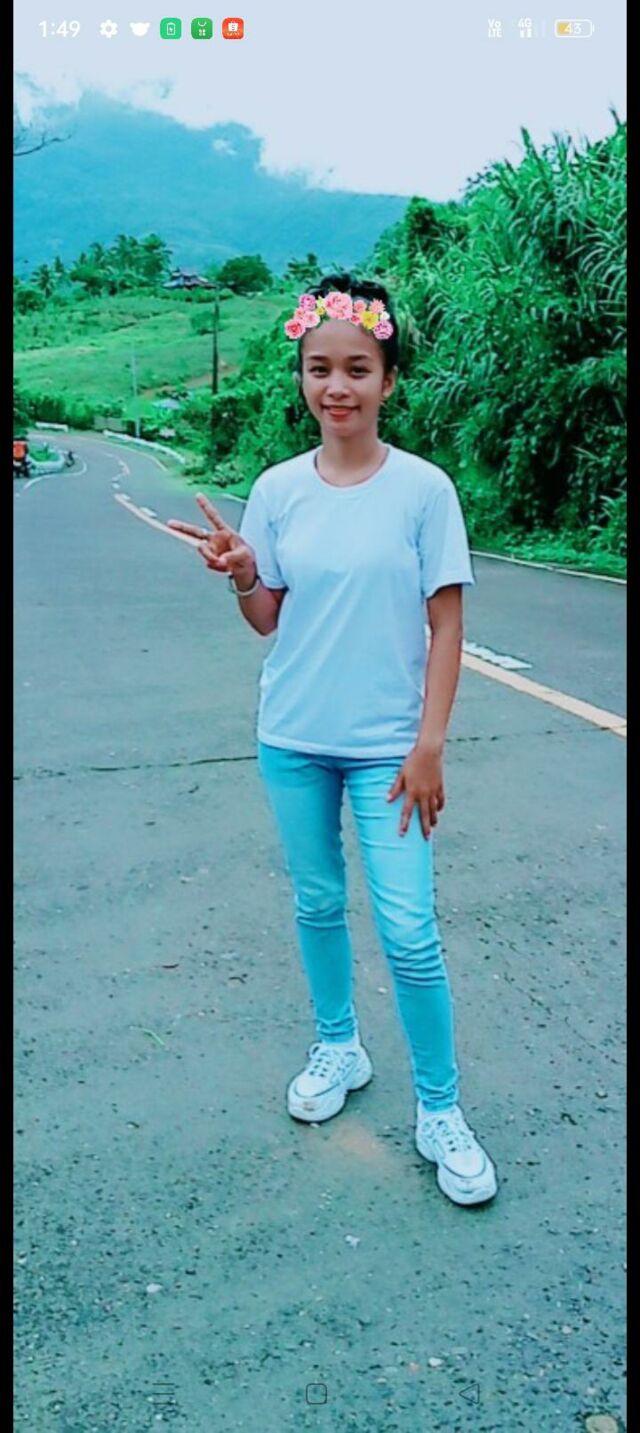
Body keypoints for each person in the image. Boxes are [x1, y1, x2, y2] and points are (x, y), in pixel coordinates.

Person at [169, 273, 498, 1207]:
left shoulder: (424, 491)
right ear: (303, 377)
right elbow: (269, 618)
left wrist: (429, 744)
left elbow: (446, 624)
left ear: (389, 380)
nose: (337, 386)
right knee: (317, 904)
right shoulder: (277, 490)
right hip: (293, 738)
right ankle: (338, 1045)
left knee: (410, 931)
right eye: (320, 368)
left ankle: (441, 1108)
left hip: (390, 751)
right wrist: (242, 571)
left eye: (357, 368)